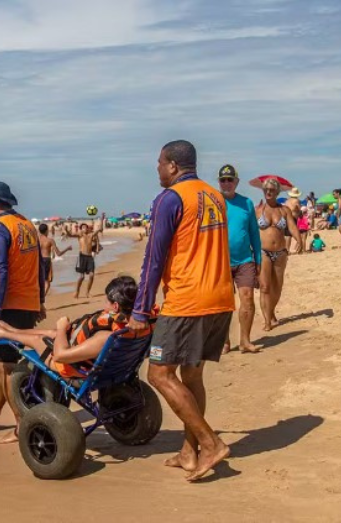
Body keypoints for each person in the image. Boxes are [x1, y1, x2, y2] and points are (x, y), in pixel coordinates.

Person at [127, 140, 233, 482]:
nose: (157, 169)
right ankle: (190, 452)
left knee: (159, 374)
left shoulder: (170, 199)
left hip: (188, 300)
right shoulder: (213, 195)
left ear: (173, 165)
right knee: (192, 376)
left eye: (159, 163)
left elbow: (154, 259)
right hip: (219, 296)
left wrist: (140, 309)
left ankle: (210, 443)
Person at [0, 180, 46, 444]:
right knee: (6, 365)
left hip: (6, 307)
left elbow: (0, 271)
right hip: (26, 303)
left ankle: (21, 425)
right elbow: (39, 265)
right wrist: (39, 300)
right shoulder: (26, 225)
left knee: (4, 367)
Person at [0, 276, 150, 378]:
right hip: (117, 369)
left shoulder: (105, 337)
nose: (103, 303)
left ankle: (1, 333)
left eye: (106, 300)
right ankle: (12, 331)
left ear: (115, 306)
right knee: (51, 333)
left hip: (75, 369)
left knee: (39, 340)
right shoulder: (137, 326)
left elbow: (61, 356)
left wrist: (62, 327)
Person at [217, 164, 262, 354]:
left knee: (248, 299)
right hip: (220, 262)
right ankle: (224, 342)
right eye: (223, 180)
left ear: (236, 182)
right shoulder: (214, 202)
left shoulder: (247, 203)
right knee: (223, 304)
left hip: (245, 260)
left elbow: (254, 233)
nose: (226, 183)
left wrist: (258, 259)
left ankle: (245, 341)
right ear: (219, 182)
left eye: (230, 180)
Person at [256, 179, 302, 331]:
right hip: (264, 252)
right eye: (266, 189)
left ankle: (270, 311)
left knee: (277, 287)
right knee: (264, 286)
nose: (268, 192)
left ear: (277, 192)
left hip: (281, 252)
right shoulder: (257, 210)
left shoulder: (284, 210)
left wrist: (299, 239)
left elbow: (292, 226)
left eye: (271, 190)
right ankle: (267, 320)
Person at [64, 214, 105, 298]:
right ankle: (77, 291)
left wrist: (101, 219)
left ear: (87, 228)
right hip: (81, 257)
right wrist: (66, 230)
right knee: (82, 277)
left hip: (89, 257)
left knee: (91, 275)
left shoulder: (91, 235)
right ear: (81, 229)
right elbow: (70, 235)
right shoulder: (79, 236)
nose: (84, 229)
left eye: (85, 227)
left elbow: (100, 229)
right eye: (83, 227)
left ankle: (87, 292)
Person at [38, 223, 72, 296]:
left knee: (39, 281)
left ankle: (37, 300)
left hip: (38, 261)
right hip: (46, 260)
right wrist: (67, 249)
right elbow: (59, 253)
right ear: (47, 230)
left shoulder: (37, 240)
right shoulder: (50, 240)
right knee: (47, 283)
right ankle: (41, 300)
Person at [285, 188, 303, 252]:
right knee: (290, 234)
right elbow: (298, 208)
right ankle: (288, 249)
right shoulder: (296, 200)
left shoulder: (287, 200)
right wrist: (300, 214)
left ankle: (286, 249)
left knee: (286, 234)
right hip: (292, 217)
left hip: (286, 216)